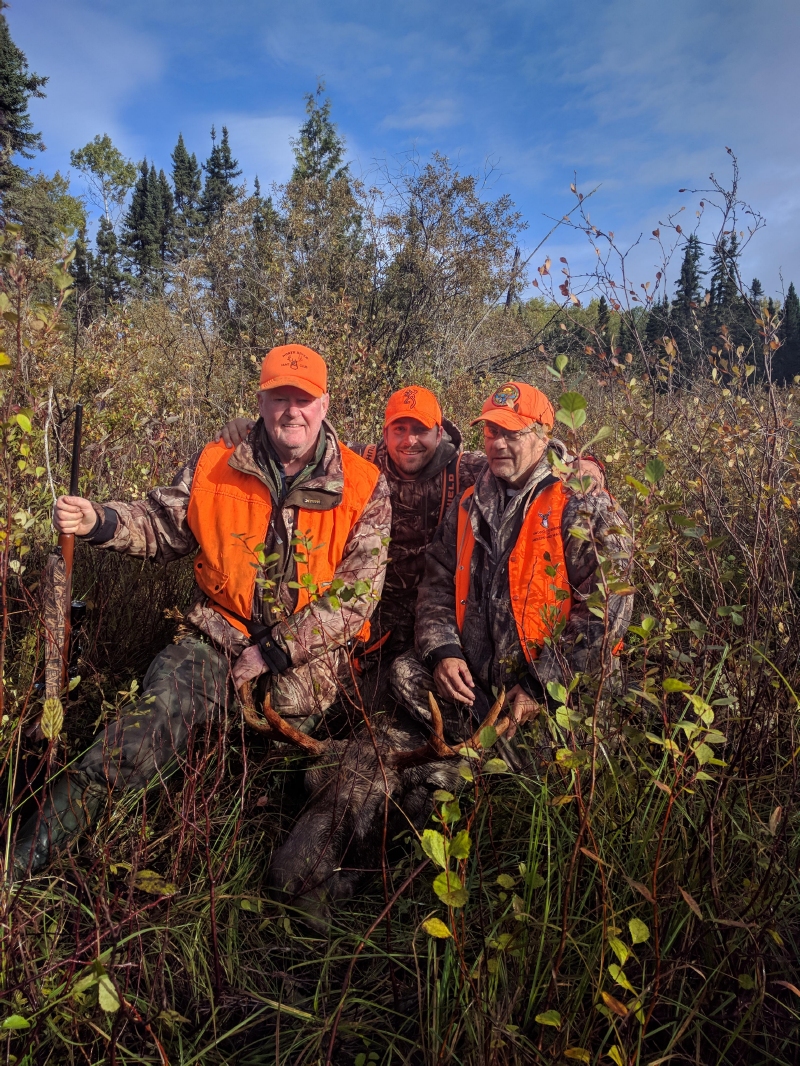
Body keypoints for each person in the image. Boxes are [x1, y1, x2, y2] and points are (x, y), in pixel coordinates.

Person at [13, 344, 390, 876]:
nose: (292, 411)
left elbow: (357, 595)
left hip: (306, 667)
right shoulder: (218, 461)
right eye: (279, 397)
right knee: (132, 742)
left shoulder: (365, 484)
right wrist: (99, 520)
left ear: (324, 404)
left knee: (289, 788)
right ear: (260, 402)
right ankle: (20, 864)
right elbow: (162, 523)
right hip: (216, 639)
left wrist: (275, 651)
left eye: (303, 399)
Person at [216, 384, 603, 701]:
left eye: (420, 430)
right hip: (364, 619)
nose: (409, 441)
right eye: (398, 429)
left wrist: (581, 464)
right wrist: (253, 431)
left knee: (389, 693)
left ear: (440, 432)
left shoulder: (469, 470)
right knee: (323, 702)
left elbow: (528, 461)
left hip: (429, 625)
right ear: (384, 433)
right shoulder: (361, 464)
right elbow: (304, 443)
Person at [390, 381, 633, 746]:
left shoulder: (583, 504)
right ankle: (490, 747)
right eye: (491, 431)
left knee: (566, 741)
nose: (498, 443)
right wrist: (445, 653)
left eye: (512, 433)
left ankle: (497, 755)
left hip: (554, 686)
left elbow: (609, 610)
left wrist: (542, 684)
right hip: (478, 682)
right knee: (405, 673)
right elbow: (436, 586)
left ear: (543, 435)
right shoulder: (469, 502)